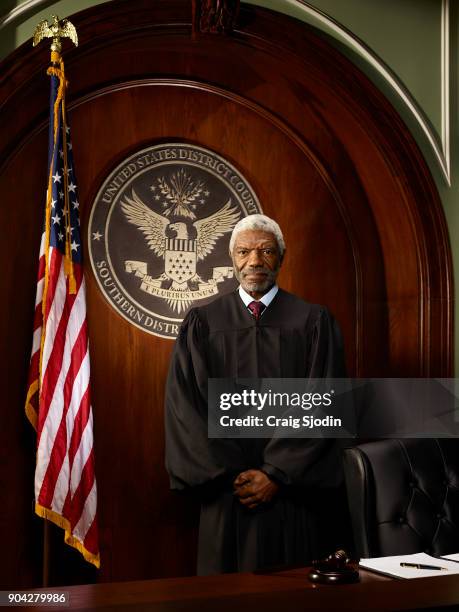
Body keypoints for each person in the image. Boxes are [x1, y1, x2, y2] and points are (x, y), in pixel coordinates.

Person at [165, 214, 347, 575]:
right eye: (244, 251)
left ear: (281, 257)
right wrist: (229, 474)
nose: (255, 261)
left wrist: (275, 474)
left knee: (291, 594)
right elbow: (184, 408)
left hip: (291, 495)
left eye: (266, 251)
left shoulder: (312, 321)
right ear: (232, 258)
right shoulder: (203, 322)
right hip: (225, 495)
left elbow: (323, 400)